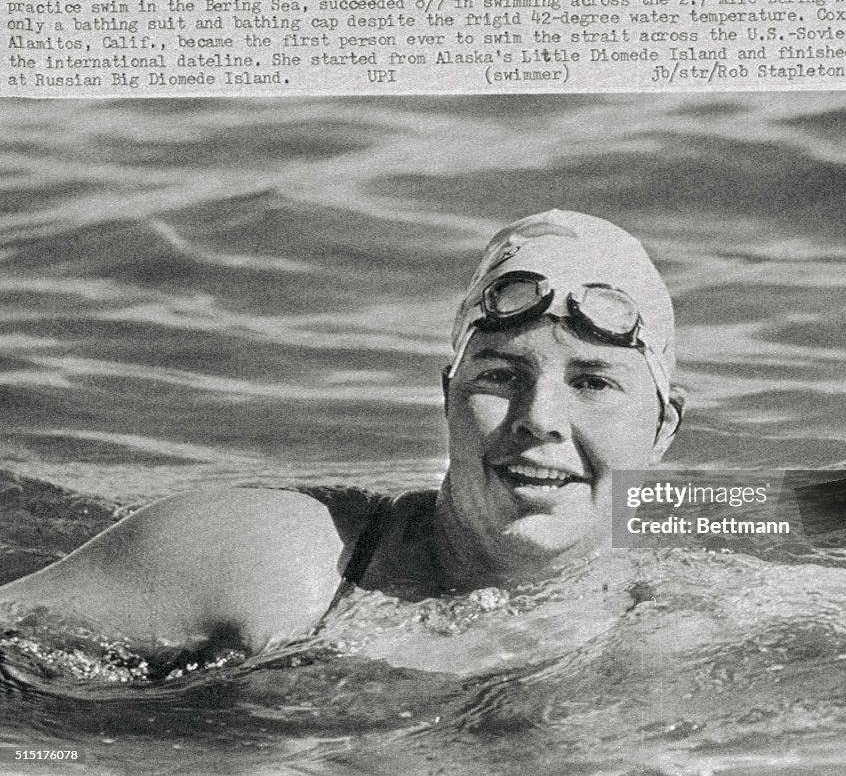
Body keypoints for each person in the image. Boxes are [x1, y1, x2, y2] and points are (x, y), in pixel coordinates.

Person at [0, 210, 684, 656]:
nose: (539, 418)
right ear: (447, 394)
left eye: (592, 382)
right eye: (502, 376)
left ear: (663, 427)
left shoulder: (678, 637)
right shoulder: (279, 564)